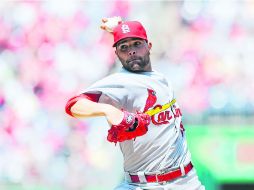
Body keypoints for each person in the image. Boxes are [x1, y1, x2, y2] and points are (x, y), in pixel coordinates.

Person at [65, 17, 205, 190]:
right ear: (116, 54)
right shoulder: (122, 82)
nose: (131, 51)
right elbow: (73, 105)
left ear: (149, 46)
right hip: (142, 184)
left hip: (186, 181)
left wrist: (118, 28)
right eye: (123, 47)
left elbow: (130, 34)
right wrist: (108, 110)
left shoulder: (162, 77)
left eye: (136, 44)